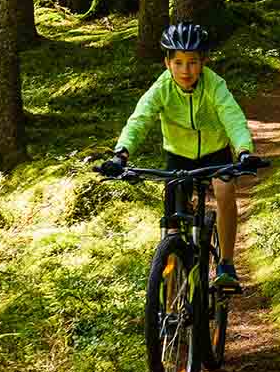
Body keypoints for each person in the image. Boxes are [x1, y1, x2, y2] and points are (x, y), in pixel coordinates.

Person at [102, 22, 256, 293]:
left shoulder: (214, 85)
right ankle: (173, 275)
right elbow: (140, 119)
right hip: (178, 155)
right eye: (179, 63)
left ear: (203, 62)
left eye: (193, 62)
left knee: (224, 190)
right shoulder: (162, 88)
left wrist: (244, 150)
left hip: (214, 153)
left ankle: (226, 264)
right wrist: (121, 153)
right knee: (173, 221)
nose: (186, 71)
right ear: (167, 63)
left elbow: (232, 117)